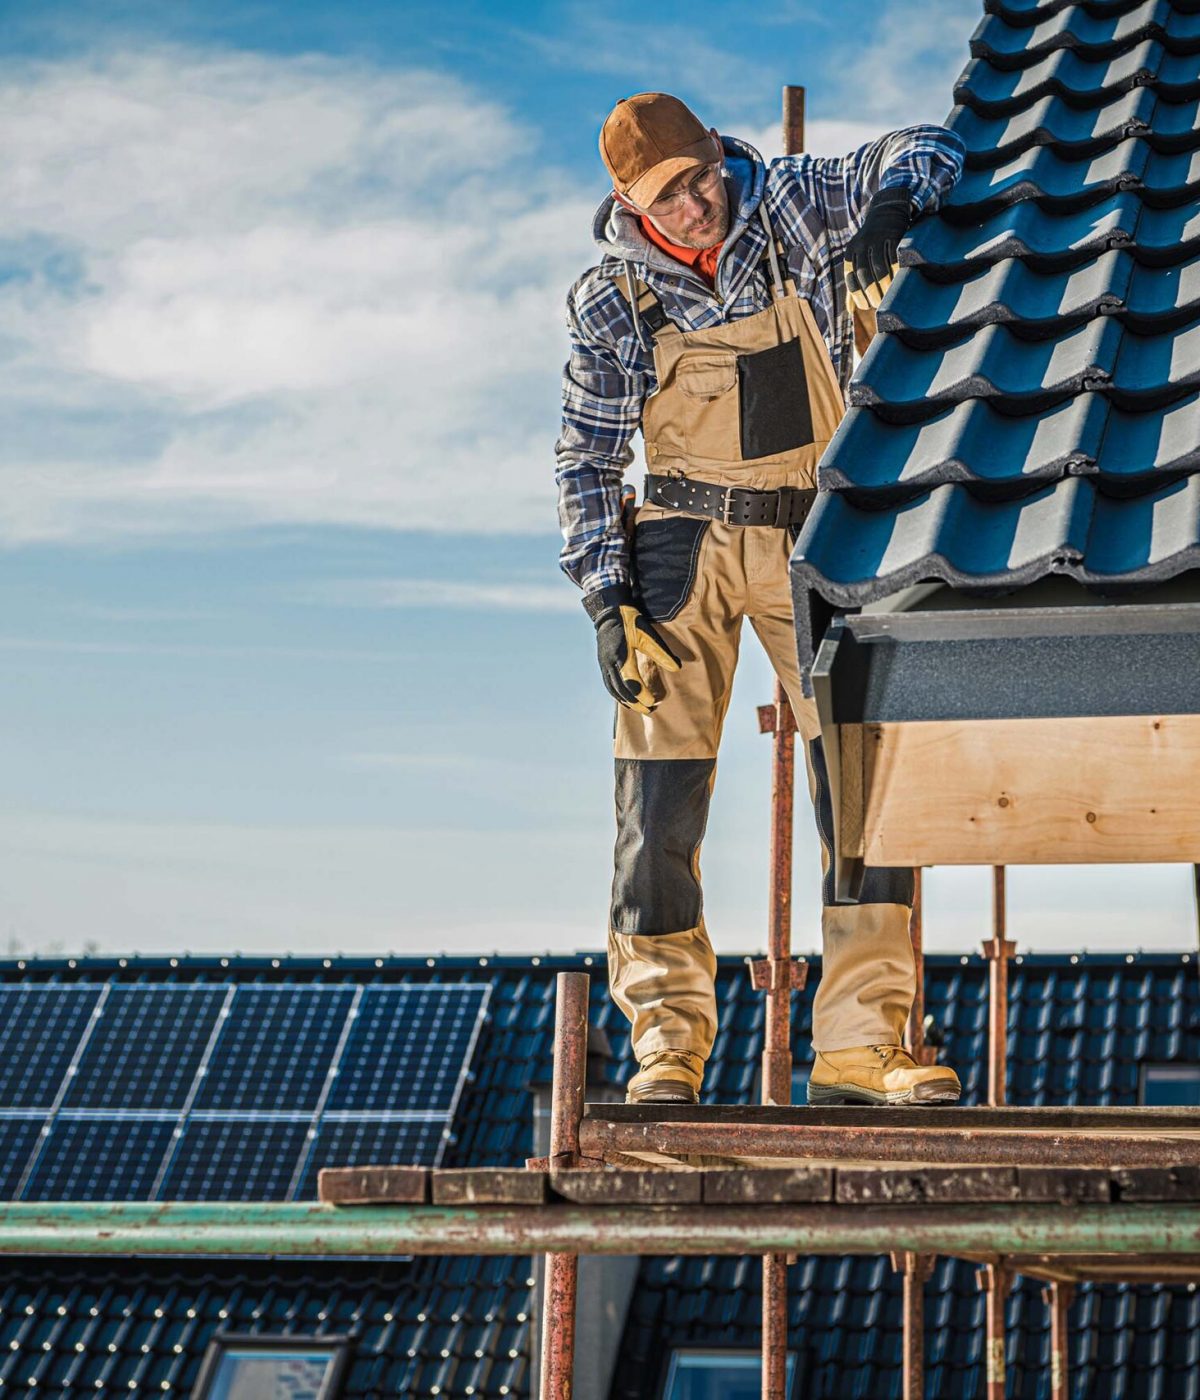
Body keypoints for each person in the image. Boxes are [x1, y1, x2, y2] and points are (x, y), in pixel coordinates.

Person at [555, 91, 965, 1107]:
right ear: (630, 203)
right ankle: (668, 1042)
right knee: (659, 800)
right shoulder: (610, 301)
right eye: (674, 195)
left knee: (863, 783)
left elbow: (933, 148)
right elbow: (589, 455)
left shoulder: (786, 203)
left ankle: (861, 1043)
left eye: (704, 178)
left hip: (808, 532)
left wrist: (886, 213)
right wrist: (606, 598)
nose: (702, 204)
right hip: (678, 547)